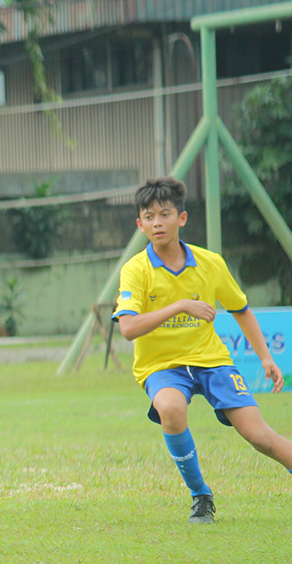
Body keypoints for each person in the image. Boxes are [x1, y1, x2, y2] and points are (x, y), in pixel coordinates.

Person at [113, 176, 292, 523]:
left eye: (164, 214)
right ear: (139, 224)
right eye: (148, 217)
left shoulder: (210, 263)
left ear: (181, 218)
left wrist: (266, 357)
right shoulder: (135, 270)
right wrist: (179, 305)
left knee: (260, 437)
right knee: (170, 407)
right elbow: (128, 328)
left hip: (211, 362)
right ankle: (201, 497)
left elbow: (240, 308)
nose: (156, 223)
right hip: (162, 366)